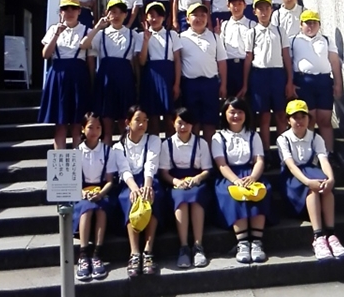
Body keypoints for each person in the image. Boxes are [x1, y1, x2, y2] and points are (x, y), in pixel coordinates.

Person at [277, 100, 344, 261]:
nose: (299, 121)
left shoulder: (316, 138)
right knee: (312, 189)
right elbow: (291, 165)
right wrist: (308, 182)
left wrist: (331, 179)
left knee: (325, 186)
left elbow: (323, 160)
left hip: (311, 170)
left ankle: (331, 234)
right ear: (288, 120)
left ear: (309, 119)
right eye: (295, 117)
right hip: (293, 177)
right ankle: (318, 236)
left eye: (303, 117)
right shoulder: (283, 139)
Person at [211, 97, 272, 264]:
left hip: (251, 173)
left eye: (240, 112)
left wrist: (253, 177)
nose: (236, 116)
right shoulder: (218, 137)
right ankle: (243, 242)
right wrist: (236, 180)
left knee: (261, 190)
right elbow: (221, 164)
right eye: (232, 112)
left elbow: (259, 160)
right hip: (229, 175)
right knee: (232, 194)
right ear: (225, 114)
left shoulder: (253, 135)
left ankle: (257, 241)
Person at [239, 0, 295, 164]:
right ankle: (266, 152)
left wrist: (289, 80)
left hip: (278, 74)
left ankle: (283, 152)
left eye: (266, 8)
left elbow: (286, 56)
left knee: (280, 114)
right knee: (264, 116)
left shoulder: (280, 31)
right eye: (260, 9)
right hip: (259, 75)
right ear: (254, 12)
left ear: (271, 10)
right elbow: (248, 58)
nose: (264, 12)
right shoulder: (252, 32)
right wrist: (245, 83)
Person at [113, 105, 163, 277]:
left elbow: (151, 164)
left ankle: (148, 250)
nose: (142, 124)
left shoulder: (153, 140)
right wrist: (134, 189)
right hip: (129, 183)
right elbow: (124, 170)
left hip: (149, 179)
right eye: (138, 120)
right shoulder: (118, 146)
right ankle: (134, 252)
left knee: (152, 197)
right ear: (128, 122)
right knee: (130, 199)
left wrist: (147, 185)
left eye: (145, 121)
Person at [159, 107, 212, 269]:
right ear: (173, 123)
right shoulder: (167, 145)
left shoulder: (201, 143)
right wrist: (175, 181)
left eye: (187, 123)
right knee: (180, 198)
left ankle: (198, 245)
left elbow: (207, 170)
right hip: (176, 182)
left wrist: (197, 179)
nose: (183, 127)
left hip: (196, 181)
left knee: (196, 197)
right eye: (180, 123)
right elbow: (164, 172)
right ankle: (183, 247)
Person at [38, 0, 92, 149]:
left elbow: (90, 60)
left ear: (79, 11)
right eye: (65, 9)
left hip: (79, 77)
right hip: (58, 76)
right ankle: (60, 164)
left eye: (73, 8)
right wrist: (57, 34)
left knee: (77, 125)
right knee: (60, 125)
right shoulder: (53, 29)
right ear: (60, 12)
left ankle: (79, 162)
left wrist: (91, 81)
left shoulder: (87, 30)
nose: (69, 12)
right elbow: (45, 55)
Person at [79, 0, 135, 146]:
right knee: (106, 125)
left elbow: (135, 61)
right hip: (106, 79)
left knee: (125, 123)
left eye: (120, 12)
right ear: (107, 13)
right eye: (113, 12)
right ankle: (106, 156)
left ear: (125, 15)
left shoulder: (133, 34)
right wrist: (97, 27)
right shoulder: (100, 34)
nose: (116, 15)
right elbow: (83, 45)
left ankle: (125, 155)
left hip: (125, 79)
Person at [290, 10, 343, 155]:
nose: (311, 26)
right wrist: (290, 83)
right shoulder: (293, 40)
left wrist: (338, 83)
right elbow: (287, 63)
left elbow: (334, 62)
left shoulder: (326, 40)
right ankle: (308, 154)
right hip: (303, 83)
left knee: (325, 120)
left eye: (314, 23)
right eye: (307, 23)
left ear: (319, 25)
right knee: (309, 120)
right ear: (301, 24)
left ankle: (328, 153)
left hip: (324, 82)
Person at [73, 113, 115, 281]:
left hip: (101, 191)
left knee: (101, 209)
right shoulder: (76, 152)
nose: (94, 131)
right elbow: (73, 181)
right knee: (86, 208)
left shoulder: (107, 151)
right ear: (83, 129)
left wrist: (101, 193)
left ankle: (97, 253)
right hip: (81, 193)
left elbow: (110, 181)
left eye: (98, 127)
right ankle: (83, 255)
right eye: (90, 127)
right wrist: (82, 193)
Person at [180, 3, 227, 145]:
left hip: (210, 84)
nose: (199, 18)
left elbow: (221, 61)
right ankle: (194, 152)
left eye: (203, 15)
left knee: (210, 123)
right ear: (187, 19)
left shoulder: (215, 37)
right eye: (195, 15)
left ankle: (209, 153)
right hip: (190, 84)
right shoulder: (181, 38)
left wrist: (223, 84)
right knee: (192, 122)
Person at [135, 2, 182, 137]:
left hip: (168, 76)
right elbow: (141, 61)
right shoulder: (140, 36)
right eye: (151, 15)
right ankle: (155, 147)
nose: (155, 19)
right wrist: (146, 40)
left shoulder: (172, 35)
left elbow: (177, 60)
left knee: (169, 118)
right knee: (153, 118)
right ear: (146, 17)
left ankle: (170, 147)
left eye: (158, 15)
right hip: (150, 77)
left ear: (164, 17)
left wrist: (177, 84)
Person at [219, 0, 256, 97]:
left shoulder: (252, 24)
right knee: (230, 99)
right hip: (229, 66)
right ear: (228, 6)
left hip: (245, 65)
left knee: (246, 98)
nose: (236, 8)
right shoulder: (224, 25)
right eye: (233, 4)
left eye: (239, 4)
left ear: (245, 5)